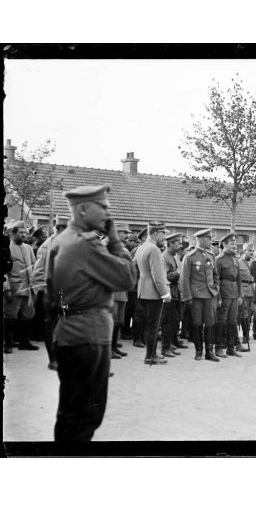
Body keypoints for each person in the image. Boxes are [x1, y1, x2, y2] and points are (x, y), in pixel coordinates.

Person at [47, 184, 136, 441]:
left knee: (69, 413)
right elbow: (127, 278)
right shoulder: (85, 246)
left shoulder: (62, 241)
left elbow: (53, 301)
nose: (108, 214)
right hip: (89, 337)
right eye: (104, 207)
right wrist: (116, 241)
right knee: (85, 417)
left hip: (68, 336)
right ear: (83, 210)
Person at [30, 215, 69, 369]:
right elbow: (37, 273)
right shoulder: (47, 246)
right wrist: (44, 290)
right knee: (51, 325)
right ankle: (52, 359)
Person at [134, 221, 172, 365]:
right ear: (155, 233)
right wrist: (165, 293)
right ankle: (150, 356)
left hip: (143, 290)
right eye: (162, 233)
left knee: (149, 325)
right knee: (153, 326)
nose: (164, 236)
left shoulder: (142, 247)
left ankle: (151, 353)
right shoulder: (154, 249)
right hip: (153, 292)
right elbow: (157, 274)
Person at [180, 228, 220, 362]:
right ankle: (198, 351)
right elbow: (184, 279)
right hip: (196, 296)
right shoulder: (189, 257)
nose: (211, 241)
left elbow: (215, 275)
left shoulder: (211, 255)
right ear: (201, 240)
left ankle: (209, 352)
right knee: (197, 323)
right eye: (208, 239)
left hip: (210, 295)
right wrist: (187, 297)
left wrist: (216, 287)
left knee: (210, 323)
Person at [4, 221, 37, 353]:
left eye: (25, 232)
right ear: (13, 233)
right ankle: (7, 343)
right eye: (21, 232)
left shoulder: (28, 248)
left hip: (27, 288)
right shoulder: (6, 248)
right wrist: (6, 288)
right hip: (13, 287)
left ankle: (24, 342)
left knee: (28, 315)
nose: (24, 235)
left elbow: (34, 266)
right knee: (10, 316)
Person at [215, 233, 244, 357]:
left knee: (232, 321)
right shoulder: (218, 260)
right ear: (224, 245)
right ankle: (219, 347)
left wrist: (240, 295)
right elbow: (216, 279)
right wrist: (218, 297)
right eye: (232, 244)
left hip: (234, 294)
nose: (234, 246)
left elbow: (238, 279)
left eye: (235, 244)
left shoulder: (234, 259)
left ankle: (231, 348)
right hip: (224, 293)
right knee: (221, 321)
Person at [160, 232, 184, 358]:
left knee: (170, 321)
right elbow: (164, 277)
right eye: (178, 242)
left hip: (174, 292)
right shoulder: (164, 257)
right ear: (170, 244)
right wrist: (178, 273)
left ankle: (167, 345)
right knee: (172, 321)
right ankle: (165, 347)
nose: (180, 245)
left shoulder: (173, 257)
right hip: (168, 293)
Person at [110, 223, 132, 360]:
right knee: (111, 321)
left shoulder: (124, 249)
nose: (126, 235)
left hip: (122, 290)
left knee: (119, 321)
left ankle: (114, 346)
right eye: (124, 232)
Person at [238, 242, 255, 349]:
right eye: (249, 251)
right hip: (243, 290)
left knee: (250, 313)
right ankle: (244, 335)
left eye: (252, 251)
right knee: (243, 314)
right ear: (244, 251)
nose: (251, 253)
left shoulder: (253, 263)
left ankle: (247, 333)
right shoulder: (239, 262)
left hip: (252, 290)